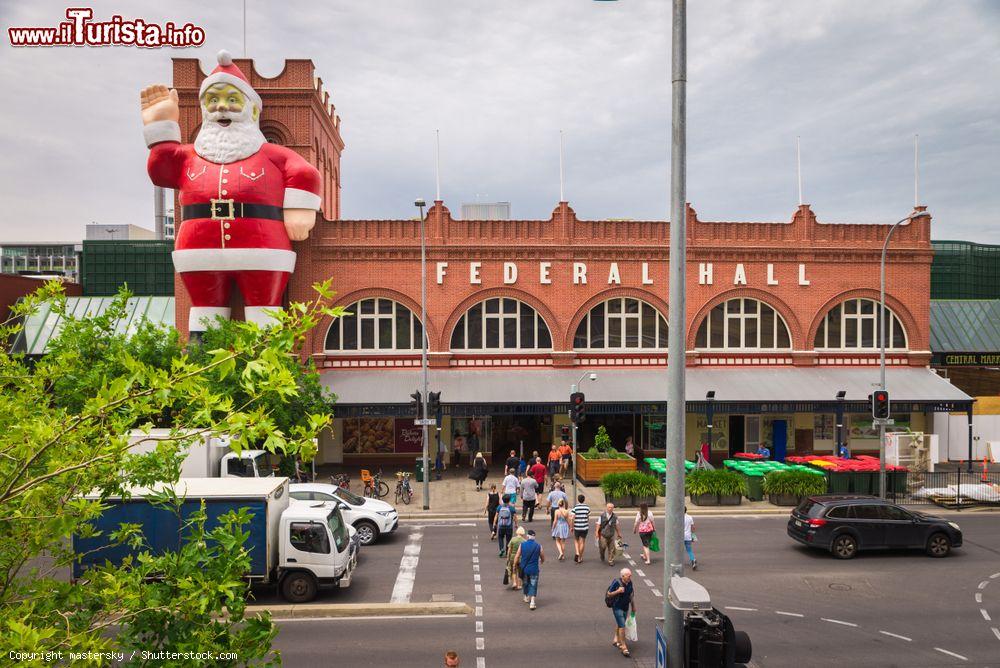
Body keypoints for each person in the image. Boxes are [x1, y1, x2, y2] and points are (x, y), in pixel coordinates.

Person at [606, 567, 636, 658]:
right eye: (628, 575)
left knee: (620, 624)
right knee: (622, 625)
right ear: (623, 576)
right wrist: (618, 591)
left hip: (625, 607)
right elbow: (609, 593)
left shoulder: (630, 583)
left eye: (630, 575)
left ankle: (616, 639)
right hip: (617, 607)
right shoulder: (616, 582)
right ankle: (624, 646)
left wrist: (633, 606)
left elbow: (631, 595)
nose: (630, 576)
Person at [514, 529, 545, 610]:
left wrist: (515, 564)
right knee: (533, 585)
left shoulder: (522, 545)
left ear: (528, 536)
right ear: (534, 537)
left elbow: (517, 555)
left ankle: (526, 596)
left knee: (525, 583)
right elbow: (542, 556)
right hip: (534, 569)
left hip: (524, 569)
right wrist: (542, 561)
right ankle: (532, 602)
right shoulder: (538, 546)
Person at [571, 494, 591, 563]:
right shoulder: (587, 507)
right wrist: (586, 522)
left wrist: (571, 526)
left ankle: (577, 552)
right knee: (582, 542)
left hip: (577, 527)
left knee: (576, 540)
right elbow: (588, 517)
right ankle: (580, 557)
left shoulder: (575, 508)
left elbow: (572, 518)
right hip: (584, 526)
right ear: (584, 499)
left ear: (578, 499)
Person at [505, 526, 527, 590]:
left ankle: (514, 583)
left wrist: (508, 557)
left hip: (512, 557)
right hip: (521, 558)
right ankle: (519, 585)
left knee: (513, 570)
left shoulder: (513, 539)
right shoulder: (524, 541)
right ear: (523, 533)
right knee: (520, 571)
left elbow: (509, 549)